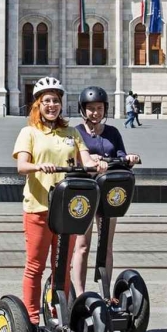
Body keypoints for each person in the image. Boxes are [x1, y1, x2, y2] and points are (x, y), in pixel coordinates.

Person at [13, 77, 105, 324]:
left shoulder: (72, 132)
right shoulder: (29, 132)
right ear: (37, 105)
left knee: (62, 268)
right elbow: (21, 165)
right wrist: (37, 166)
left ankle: (58, 314)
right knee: (35, 266)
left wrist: (97, 164)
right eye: (47, 101)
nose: (52, 105)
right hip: (39, 208)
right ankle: (31, 320)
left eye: (55, 101)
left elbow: (85, 160)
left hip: (66, 211)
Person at [69, 85, 140, 295]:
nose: (95, 113)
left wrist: (130, 159)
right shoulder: (76, 133)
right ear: (83, 109)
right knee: (82, 245)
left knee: (105, 245)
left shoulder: (112, 132)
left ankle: (106, 292)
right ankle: (80, 293)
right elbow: (72, 160)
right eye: (91, 108)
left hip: (108, 193)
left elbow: (120, 156)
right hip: (84, 192)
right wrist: (90, 161)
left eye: (99, 108)